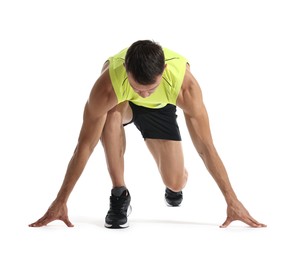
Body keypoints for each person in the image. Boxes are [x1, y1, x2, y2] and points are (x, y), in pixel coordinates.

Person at [29, 40, 266, 229]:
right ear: (125, 70)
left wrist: (231, 200)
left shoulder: (185, 87)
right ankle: (119, 194)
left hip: (161, 110)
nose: (143, 94)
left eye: (150, 89)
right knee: (110, 115)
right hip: (123, 106)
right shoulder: (107, 86)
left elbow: (206, 147)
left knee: (175, 181)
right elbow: (85, 145)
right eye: (136, 87)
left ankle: (175, 185)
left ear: (163, 71)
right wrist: (61, 200)